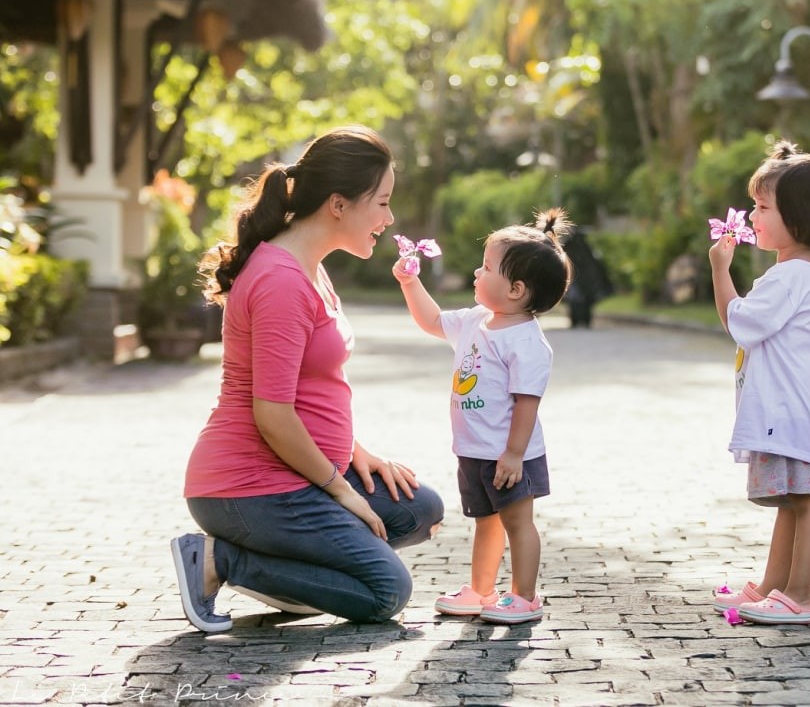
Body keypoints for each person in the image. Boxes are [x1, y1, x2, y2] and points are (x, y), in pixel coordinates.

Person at [171, 125, 445, 634]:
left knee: (421, 509)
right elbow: (271, 413)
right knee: (387, 591)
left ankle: (300, 574)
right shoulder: (280, 280)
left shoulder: (310, 266)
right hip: (249, 488)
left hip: (298, 476)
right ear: (338, 205)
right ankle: (220, 560)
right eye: (382, 203)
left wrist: (358, 453)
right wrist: (342, 491)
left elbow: (310, 388)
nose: (389, 219)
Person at [392, 208, 572, 625]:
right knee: (485, 522)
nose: (477, 271)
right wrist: (410, 282)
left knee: (517, 523)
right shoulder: (476, 320)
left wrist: (513, 454)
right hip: (474, 449)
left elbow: (527, 404)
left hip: (509, 455)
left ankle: (524, 596)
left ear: (516, 289)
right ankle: (481, 589)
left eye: (487, 267)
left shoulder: (526, 343)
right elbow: (433, 321)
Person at [708, 141, 810, 625]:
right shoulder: (792, 273)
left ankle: (800, 595)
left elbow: (739, 322)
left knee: (806, 500)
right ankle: (776, 586)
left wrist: (719, 273)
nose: (752, 216)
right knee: (792, 502)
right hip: (788, 408)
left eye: (764, 207)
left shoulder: (789, 278)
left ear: (800, 216)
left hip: (790, 410)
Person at [561, 229, 612, 328]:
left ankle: (580, 320)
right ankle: (580, 320)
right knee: (579, 302)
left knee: (580, 302)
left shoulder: (578, 249)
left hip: (578, 282)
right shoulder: (583, 249)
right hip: (577, 282)